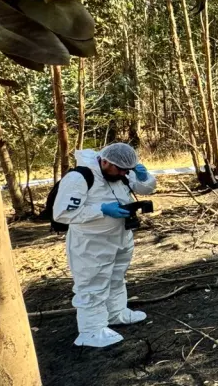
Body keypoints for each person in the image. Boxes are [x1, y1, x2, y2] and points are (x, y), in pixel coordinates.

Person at [53, 143, 157, 348]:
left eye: (127, 170)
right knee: (92, 284)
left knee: (116, 277)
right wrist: (101, 209)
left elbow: (145, 189)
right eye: (119, 169)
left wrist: (145, 178)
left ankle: (116, 313)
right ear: (105, 161)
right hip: (91, 243)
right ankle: (91, 331)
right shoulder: (79, 178)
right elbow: (62, 213)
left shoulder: (121, 172)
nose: (123, 174)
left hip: (119, 237)